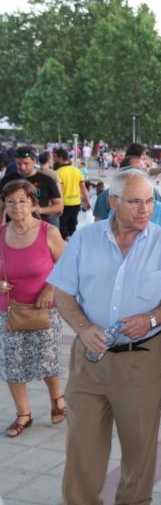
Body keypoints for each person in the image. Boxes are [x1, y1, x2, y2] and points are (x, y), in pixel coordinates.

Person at [47, 167, 161, 504]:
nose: (145, 209)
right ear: (113, 202)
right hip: (89, 362)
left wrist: (151, 318)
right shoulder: (86, 239)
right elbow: (63, 294)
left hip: (141, 362)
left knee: (139, 452)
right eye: (135, 202)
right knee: (82, 452)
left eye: (149, 201)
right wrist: (84, 329)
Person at [0, 180, 66, 437]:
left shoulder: (47, 232)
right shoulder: (1, 233)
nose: (16, 206)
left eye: (22, 200)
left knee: (46, 359)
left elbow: (66, 267)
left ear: (32, 203)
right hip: (9, 309)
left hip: (44, 308)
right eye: (11, 201)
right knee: (11, 363)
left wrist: (50, 287)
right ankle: (23, 414)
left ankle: (57, 399)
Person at [93, 144, 161, 220]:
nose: (144, 175)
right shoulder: (105, 197)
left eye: (144, 170)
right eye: (138, 172)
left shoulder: (153, 193)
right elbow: (98, 225)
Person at [0, 146, 63, 226]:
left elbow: (59, 205)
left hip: (39, 228)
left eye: (26, 163)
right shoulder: (7, 180)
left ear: (34, 161)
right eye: (19, 163)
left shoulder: (46, 180)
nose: (22, 167)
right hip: (13, 229)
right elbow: (0, 206)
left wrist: (40, 210)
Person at [53, 148, 91, 239]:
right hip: (76, 203)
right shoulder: (76, 170)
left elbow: (59, 191)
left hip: (64, 205)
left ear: (61, 158)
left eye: (56, 157)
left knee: (62, 227)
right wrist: (88, 201)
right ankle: (72, 243)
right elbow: (83, 187)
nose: (54, 160)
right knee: (73, 225)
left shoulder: (58, 173)